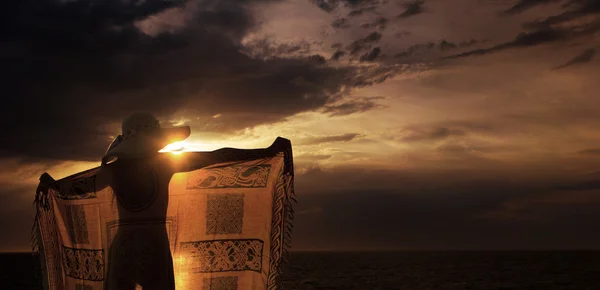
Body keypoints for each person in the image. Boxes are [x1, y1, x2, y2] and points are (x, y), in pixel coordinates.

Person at [102, 112, 288, 290]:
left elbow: (79, 189)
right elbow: (216, 157)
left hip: (123, 247)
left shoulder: (112, 170)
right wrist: (266, 152)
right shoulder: (163, 164)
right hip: (154, 244)